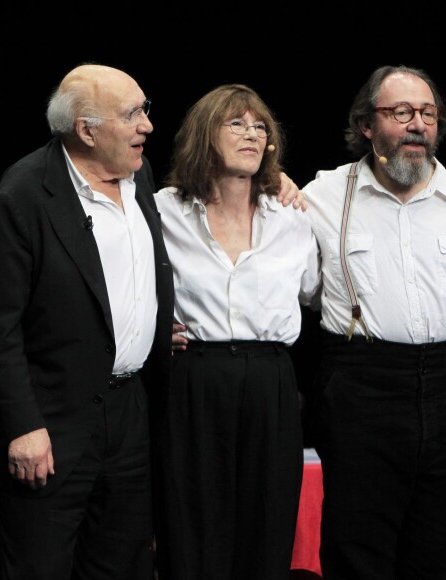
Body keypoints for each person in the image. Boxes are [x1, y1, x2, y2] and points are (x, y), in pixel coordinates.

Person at [0, 63, 303, 580]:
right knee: (40, 563)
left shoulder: (137, 177)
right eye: (133, 114)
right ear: (87, 129)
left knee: (122, 561)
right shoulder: (25, 194)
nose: (148, 125)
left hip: (131, 416)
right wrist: (23, 427)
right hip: (54, 421)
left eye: (146, 110)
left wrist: (155, 322)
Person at [302, 64, 446, 580]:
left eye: (428, 113)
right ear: (366, 125)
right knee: (355, 554)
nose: (417, 125)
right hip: (360, 389)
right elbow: (279, 279)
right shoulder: (321, 196)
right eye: (401, 112)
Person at [153, 83, 321, 580]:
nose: (252, 134)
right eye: (236, 124)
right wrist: (151, 330)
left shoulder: (293, 218)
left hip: (270, 378)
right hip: (194, 376)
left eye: (260, 126)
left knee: (266, 526)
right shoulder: (162, 210)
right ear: (206, 134)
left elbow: (314, 292)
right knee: (191, 526)